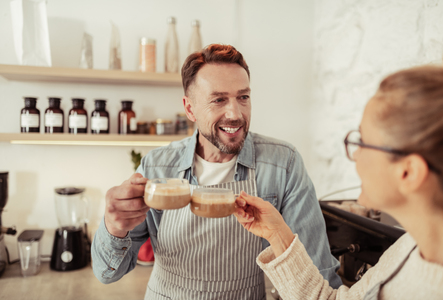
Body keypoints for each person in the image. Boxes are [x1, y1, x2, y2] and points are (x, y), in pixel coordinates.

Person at [91, 44, 342, 299]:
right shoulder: (157, 167)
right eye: (218, 99)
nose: (235, 113)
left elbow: (317, 277)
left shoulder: (283, 165)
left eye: (243, 97)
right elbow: (107, 273)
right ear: (190, 109)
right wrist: (113, 226)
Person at [234, 48, 443, 300]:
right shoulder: (409, 249)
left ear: (408, 172)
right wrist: (277, 234)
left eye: (365, 143)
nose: (355, 154)